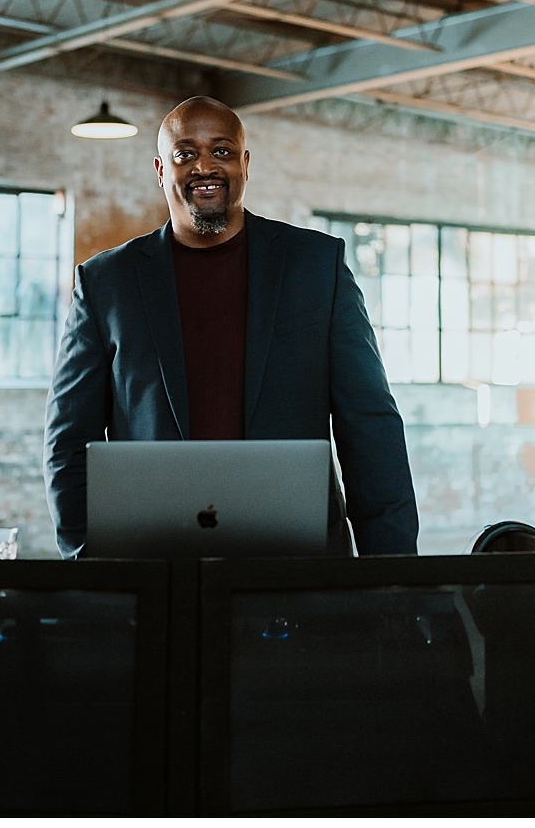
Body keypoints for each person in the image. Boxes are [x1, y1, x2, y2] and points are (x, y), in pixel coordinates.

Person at [44, 95, 418, 558]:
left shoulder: (317, 267)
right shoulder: (105, 283)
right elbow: (68, 441)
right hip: (155, 562)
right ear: (161, 170)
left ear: (244, 163)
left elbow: (370, 429)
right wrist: (90, 560)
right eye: (186, 154)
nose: (205, 166)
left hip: (296, 562)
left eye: (221, 151)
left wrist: (394, 573)